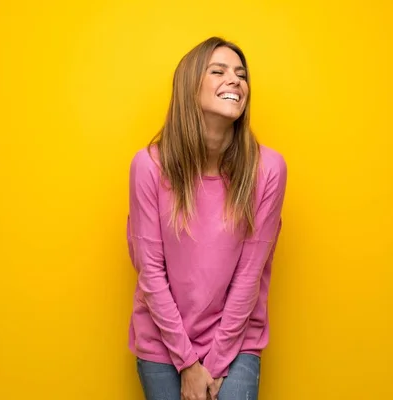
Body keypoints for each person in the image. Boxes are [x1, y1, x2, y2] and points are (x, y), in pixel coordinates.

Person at [126, 36, 287, 400]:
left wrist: (211, 366)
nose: (235, 81)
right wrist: (186, 363)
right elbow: (150, 271)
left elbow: (250, 276)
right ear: (189, 86)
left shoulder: (268, 170)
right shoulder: (149, 167)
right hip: (164, 343)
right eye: (219, 71)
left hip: (235, 338)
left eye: (241, 75)